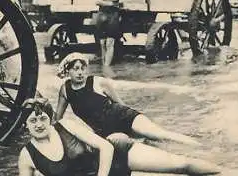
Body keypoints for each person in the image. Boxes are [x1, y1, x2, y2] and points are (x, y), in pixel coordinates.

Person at [17, 98, 220, 176]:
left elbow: (106, 147)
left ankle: (226, 173)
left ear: (50, 119)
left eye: (42, 118)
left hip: (117, 156)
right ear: (25, 126)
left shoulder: (65, 126)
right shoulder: (27, 156)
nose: (39, 124)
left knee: (180, 165)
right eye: (32, 121)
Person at [54, 52, 200, 147]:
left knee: (159, 135)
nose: (80, 73)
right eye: (76, 69)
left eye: (83, 68)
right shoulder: (65, 90)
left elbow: (120, 104)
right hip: (104, 132)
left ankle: (197, 146)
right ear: (68, 71)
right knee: (147, 145)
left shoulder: (98, 82)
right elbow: (57, 120)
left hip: (124, 117)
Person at [95, 0, 124, 69]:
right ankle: (104, 67)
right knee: (102, 43)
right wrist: (109, 2)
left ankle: (107, 68)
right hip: (102, 14)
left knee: (110, 43)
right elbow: (97, 0)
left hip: (113, 15)